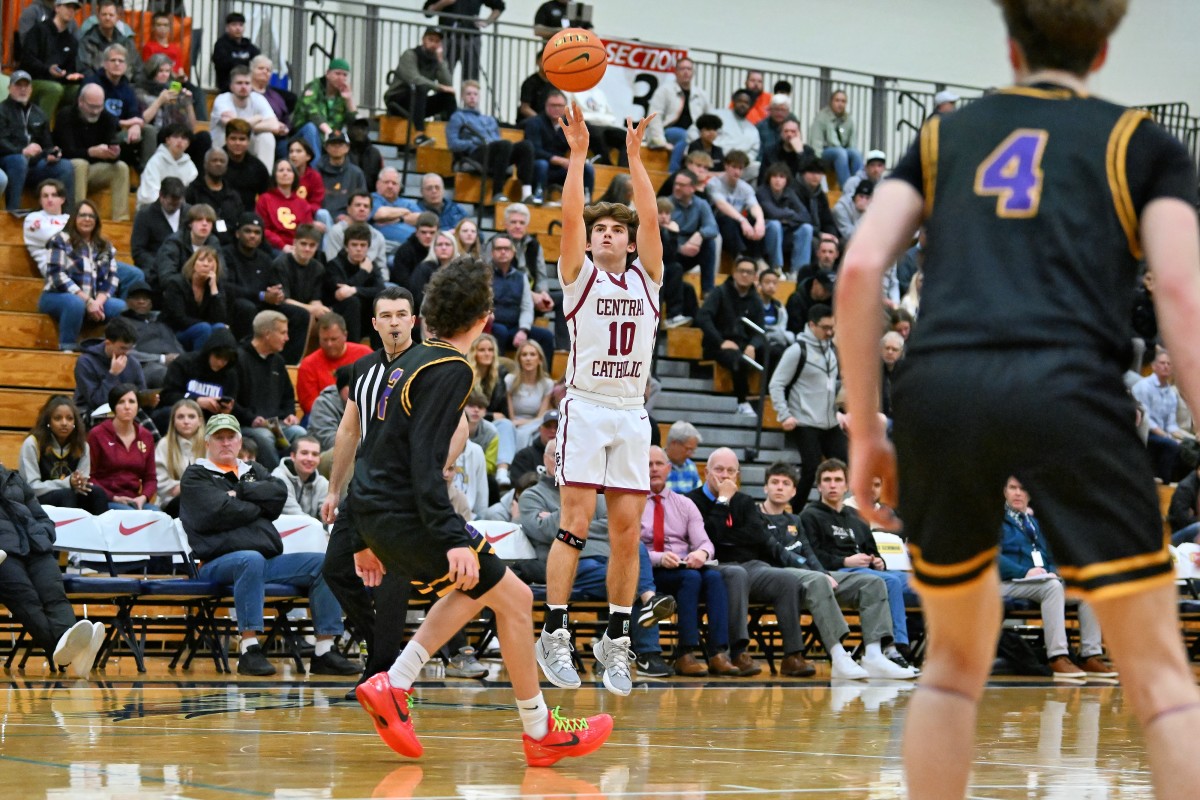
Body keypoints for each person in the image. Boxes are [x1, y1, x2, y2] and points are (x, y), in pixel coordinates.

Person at [836, 1, 1200, 796]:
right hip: (1070, 381)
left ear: (1009, 44)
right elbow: (1178, 287)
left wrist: (866, 429)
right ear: (1103, 52)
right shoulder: (1142, 143)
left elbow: (861, 270)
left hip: (943, 388)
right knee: (1162, 680)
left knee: (953, 667)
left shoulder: (944, 137)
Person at [349, 260, 614, 763]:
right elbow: (425, 463)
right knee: (513, 598)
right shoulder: (451, 367)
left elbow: (372, 449)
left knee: (479, 587)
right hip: (405, 512)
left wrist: (361, 533)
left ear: (427, 314)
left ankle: (397, 683)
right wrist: (452, 536)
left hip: (377, 511)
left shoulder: (405, 360)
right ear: (485, 319)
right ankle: (539, 730)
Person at [532, 105, 663, 698]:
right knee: (575, 525)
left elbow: (652, 218)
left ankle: (616, 638)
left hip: (632, 411)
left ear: (630, 241)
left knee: (628, 533)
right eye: (599, 229)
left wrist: (635, 161)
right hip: (585, 405)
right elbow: (568, 216)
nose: (606, 234)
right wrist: (580, 153)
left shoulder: (648, 279)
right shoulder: (578, 277)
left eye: (616, 229)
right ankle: (554, 632)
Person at [180, 413, 358, 677]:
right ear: (207, 443)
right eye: (219, 438)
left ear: (240, 442)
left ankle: (325, 650)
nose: (226, 443)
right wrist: (257, 506)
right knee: (249, 558)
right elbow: (215, 512)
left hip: (264, 560)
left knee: (324, 563)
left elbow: (277, 494)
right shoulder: (196, 475)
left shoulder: (253, 471)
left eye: (231, 437)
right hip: (216, 563)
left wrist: (238, 494)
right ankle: (249, 649)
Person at [319, 287, 418, 696]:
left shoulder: (431, 364)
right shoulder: (362, 370)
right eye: (386, 316)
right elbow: (348, 429)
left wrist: (442, 465)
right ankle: (387, 653)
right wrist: (333, 488)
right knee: (336, 568)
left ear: (414, 320)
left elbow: (460, 426)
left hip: (408, 490)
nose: (394, 322)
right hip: (364, 487)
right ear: (374, 324)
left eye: (402, 314)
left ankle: (380, 673)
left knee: (395, 577)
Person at [796, 459, 917, 667]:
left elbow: (872, 549)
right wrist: (845, 560)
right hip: (838, 572)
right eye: (827, 480)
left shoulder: (856, 516)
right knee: (890, 583)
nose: (832, 485)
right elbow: (813, 556)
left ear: (846, 485)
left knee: (923, 583)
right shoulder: (809, 515)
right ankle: (896, 647)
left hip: (867, 570)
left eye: (837, 480)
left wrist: (878, 561)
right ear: (819, 486)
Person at [998, 476, 1114, 682]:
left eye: (1022, 489)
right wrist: (1024, 572)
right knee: (1052, 587)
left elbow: (1052, 555)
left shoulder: (1035, 523)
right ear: (1005, 492)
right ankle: (1058, 656)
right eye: (1012, 488)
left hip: (1038, 583)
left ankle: (1090, 654)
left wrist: (1052, 570)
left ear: (1029, 494)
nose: (1017, 493)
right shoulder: (995, 520)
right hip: (1005, 583)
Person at [0, 462, 106, 679]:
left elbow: (39, 514)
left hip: (36, 547)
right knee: (28, 601)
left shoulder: (12, 476)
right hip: (3, 553)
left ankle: (72, 651)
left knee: (55, 596)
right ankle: (74, 652)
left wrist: (44, 533)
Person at [642, 446, 739, 677]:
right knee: (692, 578)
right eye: (648, 464)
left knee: (714, 577)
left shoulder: (684, 504)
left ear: (668, 469)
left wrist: (701, 554)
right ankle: (685, 653)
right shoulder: (632, 503)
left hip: (681, 567)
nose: (654, 469)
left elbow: (705, 543)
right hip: (648, 571)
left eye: (659, 464)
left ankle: (718, 652)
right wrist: (658, 557)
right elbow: (627, 548)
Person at [769, 304, 846, 504]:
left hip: (830, 420)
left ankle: (829, 510)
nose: (830, 332)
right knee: (811, 468)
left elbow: (829, 385)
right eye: (825, 327)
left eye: (832, 327)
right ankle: (794, 511)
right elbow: (776, 383)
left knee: (845, 464)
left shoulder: (832, 351)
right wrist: (784, 414)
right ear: (811, 325)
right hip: (805, 420)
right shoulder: (797, 350)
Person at [39, 200, 125, 351]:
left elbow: (112, 278)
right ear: (74, 218)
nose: (87, 219)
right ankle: (67, 349)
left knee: (122, 307)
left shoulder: (105, 246)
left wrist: (97, 302)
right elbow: (56, 276)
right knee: (75, 304)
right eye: (83, 215)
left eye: (91, 216)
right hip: (57, 296)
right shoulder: (60, 240)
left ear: (96, 221)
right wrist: (87, 301)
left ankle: (107, 351)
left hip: (94, 300)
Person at [234, 310, 307, 470]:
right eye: (283, 333)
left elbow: (288, 396)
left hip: (277, 424)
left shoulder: (278, 361)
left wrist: (290, 414)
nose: (287, 338)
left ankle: (300, 480)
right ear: (267, 334)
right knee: (265, 438)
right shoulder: (238, 359)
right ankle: (278, 480)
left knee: (299, 433)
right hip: (247, 425)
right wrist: (251, 419)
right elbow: (231, 402)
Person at [696, 257, 765, 416]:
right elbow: (703, 317)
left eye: (749, 272)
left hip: (743, 345)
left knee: (773, 353)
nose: (745, 275)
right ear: (734, 273)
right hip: (718, 345)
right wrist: (720, 341)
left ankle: (766, 403)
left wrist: (752, 345)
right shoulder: (719, 292)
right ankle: (742, 401)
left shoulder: (756, 299)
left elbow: (760, 330)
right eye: (741, 271)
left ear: (755, 276)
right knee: (740, 359)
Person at [19, 395, 109, 515]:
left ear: (75, 422)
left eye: (69, 418)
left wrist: (79, 483)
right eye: (58, 418)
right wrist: (67, 483)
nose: (64, 423)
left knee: (97, 493)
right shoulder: (33, 443)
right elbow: (32, 487)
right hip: (39, 499)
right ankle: (69, 533)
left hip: (69, 494)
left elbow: (82, 483)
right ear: (48, 421)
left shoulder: (82, 445)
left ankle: (101, 533)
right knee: (66, 494)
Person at [447, 80, 535, 204]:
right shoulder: (457, 117)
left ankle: (526, 193)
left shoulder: (489, 119)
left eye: (475, 94)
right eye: (468, 94)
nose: (472, 97)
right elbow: (452, 144)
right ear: (462, 97)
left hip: (496, 152)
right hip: (475, 153)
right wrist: (472, 142)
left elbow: (497, 140)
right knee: (504, 145)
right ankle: (497, 192)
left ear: (479, 97)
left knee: (526, 145)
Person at [53, 83, 131, 222]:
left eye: (99, 107)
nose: (95, 111)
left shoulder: (107, 118)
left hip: (93, 170)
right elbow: (66, 152)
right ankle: (79, 216)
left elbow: (112, 149)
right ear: (80, 102)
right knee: (80, 164)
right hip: (67, 170)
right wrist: (90, 152)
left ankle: (121, 219)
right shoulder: (65, 115)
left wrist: (114, 153)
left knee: (121, 167)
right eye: (91, 106)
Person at [0, 70, 74, 211]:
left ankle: (66, 217)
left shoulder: (39, 113)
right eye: (18, 85)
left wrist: (51, 153)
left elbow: (47, 144)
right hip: (8, 163)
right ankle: (12, 211)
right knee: (18, 160)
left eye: (26, 86)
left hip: (34, 165)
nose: (22, 89)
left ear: (31, 89)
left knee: (65, 166)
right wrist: (22, 151)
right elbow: (1, 141)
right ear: (9, 88)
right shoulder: (2, 110)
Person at [87, 383, 157, 511]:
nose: (127, 407)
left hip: (135, 500)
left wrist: (144, 497)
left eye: (131, 401)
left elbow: (150, 478)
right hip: (106, 500)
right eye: (121, 402)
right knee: (130, 515)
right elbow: (90, 476)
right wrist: (113, 497)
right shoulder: (97, 434)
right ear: (113, 407)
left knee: (158, 516)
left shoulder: (146, 436)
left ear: (138, 406)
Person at [383, 28, 456, 148]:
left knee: (448, 96)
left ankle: (454, 133)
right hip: (397, 101)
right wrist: (439, 87)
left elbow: (448, 84)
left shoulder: (436, 60)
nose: (434, 44)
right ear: (423, 40)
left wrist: (441, 61)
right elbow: (414, 78)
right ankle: (419, 135)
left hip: (418, 104)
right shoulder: (410, 54)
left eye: (437, 41)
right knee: (420, 87)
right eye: (430, 39)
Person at [488, 234, 556, 356]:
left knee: (546, 337)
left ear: (513, 253)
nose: (503, 252)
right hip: (493, 326)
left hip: (515, 327)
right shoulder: (485, 275)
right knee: (501, 332)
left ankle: (544, 374)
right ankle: (498, 373)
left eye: (507, 249)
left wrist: (523, 330)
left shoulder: (521, 277)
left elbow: (527, 307)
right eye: (498, 249)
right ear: (492, 253)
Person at [523, 91, 593, 205]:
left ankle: (585, 201)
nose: (556, 109)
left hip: (561, 168)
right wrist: (558, 160)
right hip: (540, 165)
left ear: (565, 108)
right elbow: (534, 150)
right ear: (545, 106)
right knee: (542, 164)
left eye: (560, 106)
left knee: (587, 168)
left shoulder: (569, 124)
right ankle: (538, 195)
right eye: (553, 105)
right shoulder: (534, 122)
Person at [210, 66, 287, 171]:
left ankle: (264, 178)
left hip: (248, 146)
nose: (243, 87)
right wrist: (257, 118)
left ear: (252, 86)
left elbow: (275, 125)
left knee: (267, 137)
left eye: (247, 83)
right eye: (239, 83)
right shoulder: (223, 99)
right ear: (231, 86)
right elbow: (234, 126)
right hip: (222, 148)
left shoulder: (258, 98)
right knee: (236, 136)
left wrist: (246, 125)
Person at [296, 312, 372, 415]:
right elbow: (310, 406)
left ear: (345, 335)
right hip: (322, 416)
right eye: (324, 340)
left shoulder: (365, 354)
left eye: (333, 339)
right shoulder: (308, 364)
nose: (329, 344)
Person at [20, 0, 84, 120]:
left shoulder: (71, 40)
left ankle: (64, 131)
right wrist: (47, 69)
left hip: (58, 82)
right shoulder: (39, 30)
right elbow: (27, 59)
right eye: (67, 6)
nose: (71, 11)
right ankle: (41, 130)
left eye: (74, 8)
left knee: (79, 90)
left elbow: (69, 68)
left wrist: (70, 76)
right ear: (57, 8)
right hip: (34, 80)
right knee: (54, 89)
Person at [647, 57, 713, 173]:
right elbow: (654, 116)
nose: (686, 72)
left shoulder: (701, 94)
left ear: (693, 72)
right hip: (670, 131)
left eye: (689, 69)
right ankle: (673, 173)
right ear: (675, 72)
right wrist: (660, 140)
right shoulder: (664, 90)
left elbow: (710, 118)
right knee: (684, 136)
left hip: (695, 134)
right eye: (682, 69)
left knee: (692, 139)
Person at [73, 315, 145, 420]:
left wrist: (148, 400)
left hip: (124, 409)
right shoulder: (86, 362)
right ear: (108, 343)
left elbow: (140, 392)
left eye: (130, 349)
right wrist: (112, 375)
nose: (126, 353)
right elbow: (97, 403)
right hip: (91, 411)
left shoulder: (133, 363)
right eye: (122, 348)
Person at [326, 222, 385, 344]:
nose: (359, 249)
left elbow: (381, 290)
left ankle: (380, 353)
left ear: (368, 247)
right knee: (352, 302)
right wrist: (363, 272)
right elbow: (341, 294)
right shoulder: (335, 265)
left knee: (380, 303)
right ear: (346, 247)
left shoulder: (371, 266)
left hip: (364, 316)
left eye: (363, 245)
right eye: (354, 245)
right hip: (339, 312)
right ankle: (353, 347)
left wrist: (354, 290)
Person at [161, 246, 229, 351]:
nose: (206, 264)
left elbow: (220, 318)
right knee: (203, 328)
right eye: (201, 260)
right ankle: (198, 365)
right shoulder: (176, 283)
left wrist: (213, 288)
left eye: (210, 261)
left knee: (220, 328)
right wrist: (206, 324)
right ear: (193, 264)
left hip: (203, 328)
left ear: (216, 266)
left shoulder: (215, 285)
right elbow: (178, 318)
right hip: (175, 332)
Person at [1132, 349, 1185, 483]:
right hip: (1143, 433)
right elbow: (1147, 421)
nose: (1166, 366)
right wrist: (1167, 436)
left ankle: (1178, 485)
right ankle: (1164, 482)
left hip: (1161, 433)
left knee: (1189, 446)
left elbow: (1171, 425)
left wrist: (1185, 439)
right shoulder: (1144, 386)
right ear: (1154, 366)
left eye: (1169, 364)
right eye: (1162, 363)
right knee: (1171, 445)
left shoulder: (1171, 393)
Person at [706, 150, 767, 260]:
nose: (737, 171)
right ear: (726, 166)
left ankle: (757, 258)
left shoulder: (745, 187)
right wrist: (742, 220)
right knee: (727, 220)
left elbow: (754, 205)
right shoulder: (714, 183)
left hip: (737, 224)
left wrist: (760, 221)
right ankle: (739, 257)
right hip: (716, 222)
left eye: (740, 168)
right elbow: (722, 205)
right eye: (734, 167)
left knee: (755, 222)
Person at [423, 0, 505, 81]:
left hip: (470, 38)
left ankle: (469, 94)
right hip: (447, 37)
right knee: (444, 74)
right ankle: (444, 93)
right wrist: (443, 2)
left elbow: (500, 6)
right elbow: (427, 12)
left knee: (471, 77)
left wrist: (486, 22)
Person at [292, 59, 357, 159]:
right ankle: (316, 170)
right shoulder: (314, 87)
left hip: (328, 141)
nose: (341, 78)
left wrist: (349, 99)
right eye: (337, 74)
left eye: (344, 75)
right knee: (311, 128)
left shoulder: (342, 94)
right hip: (302, 137)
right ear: (327, 73)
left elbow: (353, 123)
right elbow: (313, 113)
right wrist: (330, 133)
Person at [154, 398, 204, 517]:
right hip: (172, 502)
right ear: (173, 421)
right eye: (180, 417)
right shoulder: (164, 445)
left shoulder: (210, 445)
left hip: (205, 500)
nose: (186, 421)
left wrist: (184, 487)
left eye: (191, 417)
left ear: (200, 421)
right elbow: (161, 483)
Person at [185, 149, 245, 244]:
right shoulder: (193, 191)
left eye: (222, 161)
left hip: (230, 246)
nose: (218, 164)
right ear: (205, 164)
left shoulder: (233, 195)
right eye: (214, 160)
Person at [131, 177, 187, 275]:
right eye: (170, 204)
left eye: (177, 204)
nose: (174, 207)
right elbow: (138, 251)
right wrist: (160, 265)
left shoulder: (189, 213)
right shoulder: (144, 215)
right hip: (155, 269)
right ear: (161, 196)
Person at [323, 192, 387, 278]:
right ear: (348, 209)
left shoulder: (378, 236)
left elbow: (382, 268)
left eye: (366, 206)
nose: (362, 209)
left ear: (370, 211)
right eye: (358, 205)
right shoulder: (336, 232)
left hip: (372, 282)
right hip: (343, 280)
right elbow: (332, 264)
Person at [257, 159, 315, 253]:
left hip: (299, 248)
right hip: (274, 247)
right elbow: (263, 229)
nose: (285, 173)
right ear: (275, 175)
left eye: (289, 170)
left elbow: (307, 231)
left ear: (294, 176)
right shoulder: (265, 199)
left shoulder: (302, 203)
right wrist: (282, 245)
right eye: (281, 170)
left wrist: (298, 247)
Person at [808, 89, 863, 189]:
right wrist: (817, 165)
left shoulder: (848, 119)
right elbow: (816, 143)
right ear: (831, 102)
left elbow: (852, 143)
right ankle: (848, 189)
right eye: (837, 100)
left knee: (856, 153)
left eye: (843, 101)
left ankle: (860, 187)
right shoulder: (822, 117)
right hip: (825, 156)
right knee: (840, 152)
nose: (840, 104)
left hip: (842, 155)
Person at [136, 123, 197, 210]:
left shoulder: (190, 167)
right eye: (175, 136)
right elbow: (149, 194)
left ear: (188, 143)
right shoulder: (155, 161)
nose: (179, 141)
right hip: (151, 208)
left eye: (184, 138)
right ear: (167, 140)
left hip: (178, 210)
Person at [23, 178, 70, 277]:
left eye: (54, 195)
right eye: (45, 196)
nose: (49, 199)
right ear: (40, 200)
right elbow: (52, 238)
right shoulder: (33, 218)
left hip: (76, 262)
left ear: (62, 199)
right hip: (53, 267)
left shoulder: (70, 218)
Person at [273, 436, 328, 519]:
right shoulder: (278, 479)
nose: (310, 459)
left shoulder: (322, 483)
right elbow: (297, 518)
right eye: (304, 453)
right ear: (293, 456)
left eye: (315, 454)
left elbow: (331, 517)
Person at [222, 118, 270, 209]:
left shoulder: (258, 168)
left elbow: (266, 198)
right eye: (233, 138)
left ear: (248, 141)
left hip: (248, 217)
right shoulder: (215, 162)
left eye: (242, 139)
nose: (237, 143)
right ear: (226, 139)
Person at [211, 12, 260, 94]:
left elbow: (258, 61)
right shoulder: (221, 44)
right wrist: (247, 62)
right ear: (227, 27)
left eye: (241, 25)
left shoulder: (249, 45)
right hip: (227, 86)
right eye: (234, 25)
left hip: (250, 85)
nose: (238, 28)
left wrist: (237, 61)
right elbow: (224, 64)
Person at [664, 421, 703, 493]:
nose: (690, 455)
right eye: (688, 449)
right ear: (674, 443)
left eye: (692, 450)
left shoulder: (691, 466)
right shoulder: (654, 464)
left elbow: (699, 497)